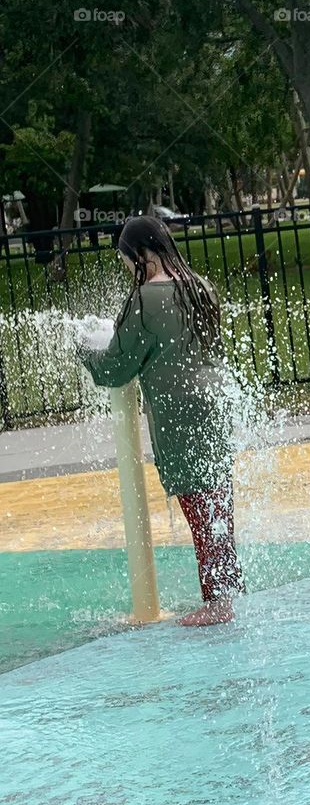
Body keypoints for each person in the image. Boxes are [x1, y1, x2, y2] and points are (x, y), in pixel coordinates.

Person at [78, 215, 244, 627]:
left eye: (126, 262)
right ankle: (227, 589)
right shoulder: (201, 288)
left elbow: (115, 368)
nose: (126, 270)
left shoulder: (145, 301)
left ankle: (218, 603)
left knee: (197, 505)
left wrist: (84, 346)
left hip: (180, 411)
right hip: (215, 400)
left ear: (141, 255)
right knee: (218, 503)